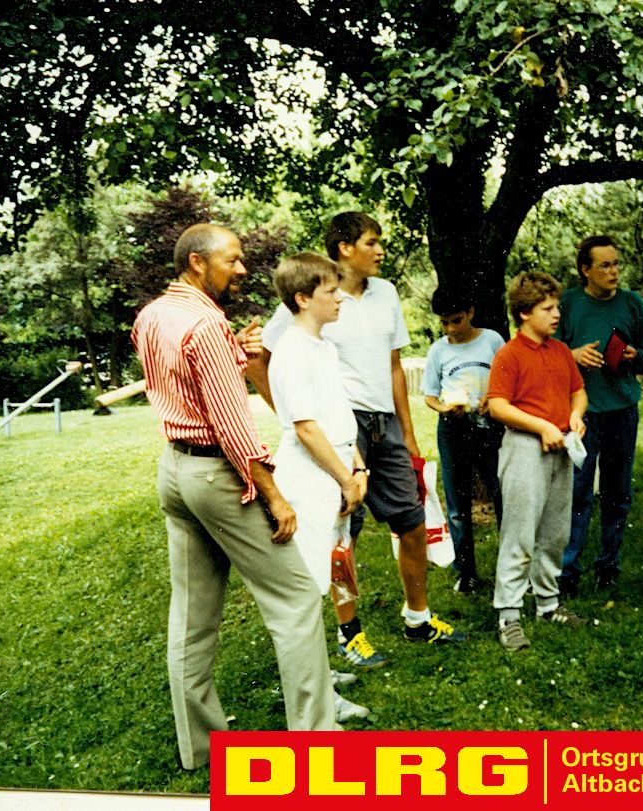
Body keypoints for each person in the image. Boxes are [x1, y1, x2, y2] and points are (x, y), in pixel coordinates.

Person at [131, 224, 339, 770]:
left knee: (192, 614)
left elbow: (176, 379)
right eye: (233, 260)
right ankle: (318, 744)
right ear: (197, 263)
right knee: (295, 598)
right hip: (217, 476)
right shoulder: (205, 324)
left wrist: (231, 351)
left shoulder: (153, 314)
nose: (242, 269)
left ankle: (198, 748)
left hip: (175, 471)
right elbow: (232, 425)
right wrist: (273, 495)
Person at [254, 212, 464, 670]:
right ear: (345, 247)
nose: (380, 250)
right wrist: (296, 417)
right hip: (336, 432)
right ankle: (350, 634)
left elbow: (394, 366)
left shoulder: (385, 293)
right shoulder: (308, 297)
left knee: (411, 519)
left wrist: (408, 435)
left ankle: (418, 618)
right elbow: (258, 360)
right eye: (371, 241)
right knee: (342, 536)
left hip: (384, 425)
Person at [266, 252, 372, 721]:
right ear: (303, 298)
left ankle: (320, 673)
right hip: (310, 479)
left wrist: (358, 467)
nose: (340, 298)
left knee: (331, 573)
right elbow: (306, 428)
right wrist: (345, 478)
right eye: (330, 291)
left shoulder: (323, 348)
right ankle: (315, 695)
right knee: (307, 589)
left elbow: (336, 418)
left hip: (337, 470)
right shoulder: (291, 352)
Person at [486, 271, 588, 651]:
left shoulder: (560, 351)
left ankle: (548, 603)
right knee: (520, 532)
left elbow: (578, 391)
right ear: (525, 313)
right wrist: (541, 426)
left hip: (561, 446)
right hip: (525, 448)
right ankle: (508, 614)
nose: (557, 314)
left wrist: (575, 416)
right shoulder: (509, 354)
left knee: (555, 532)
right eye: (547, 308)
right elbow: (497, 405)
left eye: (557, 306)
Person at [557, 236, 643, 599]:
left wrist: (633, 355)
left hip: (622, 409)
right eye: (605, 265)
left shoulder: (631, 302)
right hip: (582, 413)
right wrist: (574, 355)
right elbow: (549, 350)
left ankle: (608, 567)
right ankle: (568, 571)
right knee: (577, 493)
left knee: (617, 492)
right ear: (586, 270)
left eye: (616, 264)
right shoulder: (568, 303)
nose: (614, 272)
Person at [422, 285, 505, 594]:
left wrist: (494, 399)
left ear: (470, 312)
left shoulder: (492, 340)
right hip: (454, 427)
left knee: (501, 495)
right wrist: (445, 408)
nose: (450, 329)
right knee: (458, 503)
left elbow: (507, 377)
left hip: (490, 425)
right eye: (444, 323)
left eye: (456, 320)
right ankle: (466, 571)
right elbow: (430, 394)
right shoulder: (438, 350)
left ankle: (511, 567)